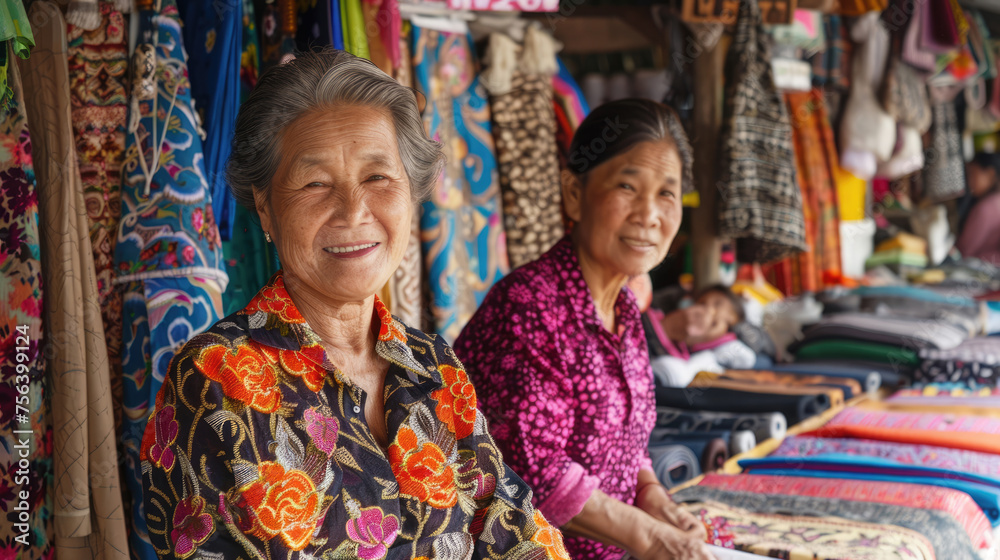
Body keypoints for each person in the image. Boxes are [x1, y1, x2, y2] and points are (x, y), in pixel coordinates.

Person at [139, 50, 569, 560]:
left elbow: (513, 530)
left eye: (378, 177)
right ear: (265, 206)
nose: (353, 210)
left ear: (411, 192)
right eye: (315, 183)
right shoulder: (216, 378)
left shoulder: (433, 366)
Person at [454, 99, 712, 560]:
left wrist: (650, 492)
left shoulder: (624, 308)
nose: (650, 214)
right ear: (574, 193)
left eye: (666, 194)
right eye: (628, 186)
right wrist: (650, 537)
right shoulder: (529, 308)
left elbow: (622, 440)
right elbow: (535, 472)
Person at [956, 152, 1000, 265]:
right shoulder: (996, 201)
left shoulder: (986, 208)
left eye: (973, 174)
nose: (969, 182)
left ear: (990, 174)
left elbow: (964, 251)